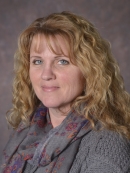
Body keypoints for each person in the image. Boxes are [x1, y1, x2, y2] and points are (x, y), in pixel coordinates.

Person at [0, 11, 130, 173]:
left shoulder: (106, 147)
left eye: (62, 61)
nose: (46, 74)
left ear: (88, 70)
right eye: (38, 61)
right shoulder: (25, 133)